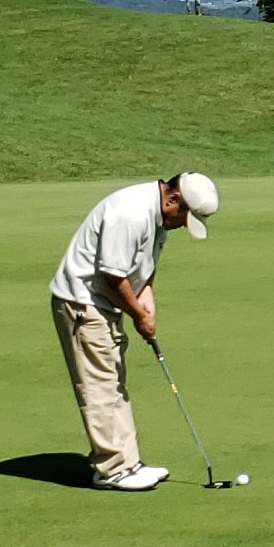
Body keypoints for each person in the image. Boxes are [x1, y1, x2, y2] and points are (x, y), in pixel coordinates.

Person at [47, 172, 221, 490]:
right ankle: (112, 469)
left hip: (104, 302)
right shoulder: (130, 214)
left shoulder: (159, 217)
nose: (183, 226)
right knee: (99, 386)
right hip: (83, 303)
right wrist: (139, 316)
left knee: (114, 381)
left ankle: (128, 462)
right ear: (173, 199)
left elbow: (143, 266)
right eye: (185, 218)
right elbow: (112, 277)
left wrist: (146, 298)